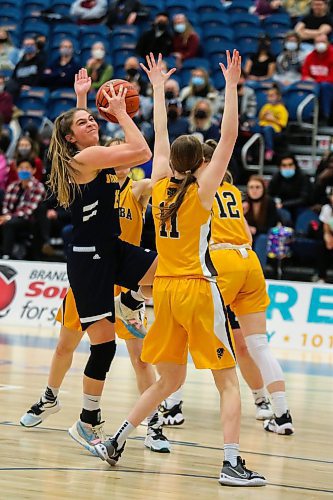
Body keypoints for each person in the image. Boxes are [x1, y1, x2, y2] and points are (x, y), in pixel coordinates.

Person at [94, 51, 266, 487]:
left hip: (164, 291)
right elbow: (227, 138)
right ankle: (231, 462)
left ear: (175, 164)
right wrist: (230, 86)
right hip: (197, 288)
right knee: (228, 383)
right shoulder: (204, 191)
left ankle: (116, 438)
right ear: (203, 164)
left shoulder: (158, 187)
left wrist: (155, 88)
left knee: (168, 380)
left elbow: (161, 135)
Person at [44, 66, 158, 449]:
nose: (93, 121)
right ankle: (87, 420)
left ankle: (130, 302)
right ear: (70, 137)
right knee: (104, 346)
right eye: (85, 121)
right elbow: (142, 151)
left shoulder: (83, 155)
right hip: (89, 258)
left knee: (164, 267)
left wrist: (83, 101)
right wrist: (122, 111)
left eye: (94, 117)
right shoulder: (87, 158)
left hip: (108, 246)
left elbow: (81, 137)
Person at [205, 148, 294, 436]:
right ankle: (281, 414)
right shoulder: (231, 190)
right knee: (255, 345)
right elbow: (247, 232)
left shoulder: (199, 188)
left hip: (221, 263)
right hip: (248, 262)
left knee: (183, 331)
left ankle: (171, 405)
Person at [0, 158, 45, 259]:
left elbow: (29, 210)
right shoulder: (12, 186)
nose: (23, 170)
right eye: (21, 168)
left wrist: (8, 218)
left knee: (10, 224)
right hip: (11, 218)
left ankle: (6, 255)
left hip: (29, 220)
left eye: (27, 168)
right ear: (17, 170)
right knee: (6, 223)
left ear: (33, 170)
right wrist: (6, 216)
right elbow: (6, 206)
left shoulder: (38, 187)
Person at [243, 175, 280, 267]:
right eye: (251, 187)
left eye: (257, 187)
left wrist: (255, 230)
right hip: (246, 235)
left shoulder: (270, 203)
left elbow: (272, 225)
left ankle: (258, 270)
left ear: (263, 188)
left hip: (265, 235)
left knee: (262, 239)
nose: (254, 190)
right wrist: (242, 213)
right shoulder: (242, 203)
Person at [268, 154, 311, 223]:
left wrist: (284, 204)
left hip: (300, 207)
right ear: (280, 167)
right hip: (281, 207)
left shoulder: (303, 177)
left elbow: (304, 199)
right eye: (284, 165)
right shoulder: (276, 177)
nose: (288, 167)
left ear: (295, 165)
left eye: (290, 165)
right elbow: (269, 194)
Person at [301, 33, 333, 123]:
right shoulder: (310, 56)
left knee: (324, 86)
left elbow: (331, 78)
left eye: (322, 42)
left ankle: (325, 115)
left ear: (328, 43)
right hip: (314, 84)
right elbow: (304, 75)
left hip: (328, 86)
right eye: (318, 42)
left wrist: (315, 81)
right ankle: (305, 115)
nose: (320, 44)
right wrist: (309, 80)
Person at [251, 85, 289, 161]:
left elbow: (283, 124)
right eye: (268, 96)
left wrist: (273, 119)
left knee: (267, 129)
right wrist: (264, 115)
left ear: (278, 97)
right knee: (253, 127)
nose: (270, 98)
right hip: (263, 125)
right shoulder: (266, 106)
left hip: (274, 128)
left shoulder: (282, 108)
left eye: (272, 96)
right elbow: (260, 118)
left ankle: (270, 150)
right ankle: (251, 152)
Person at [316, 186, 333, 281]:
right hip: (330, 234)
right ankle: (321, 276)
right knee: (322, 246)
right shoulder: (327, 208)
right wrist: (327, 237)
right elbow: (325, 227)